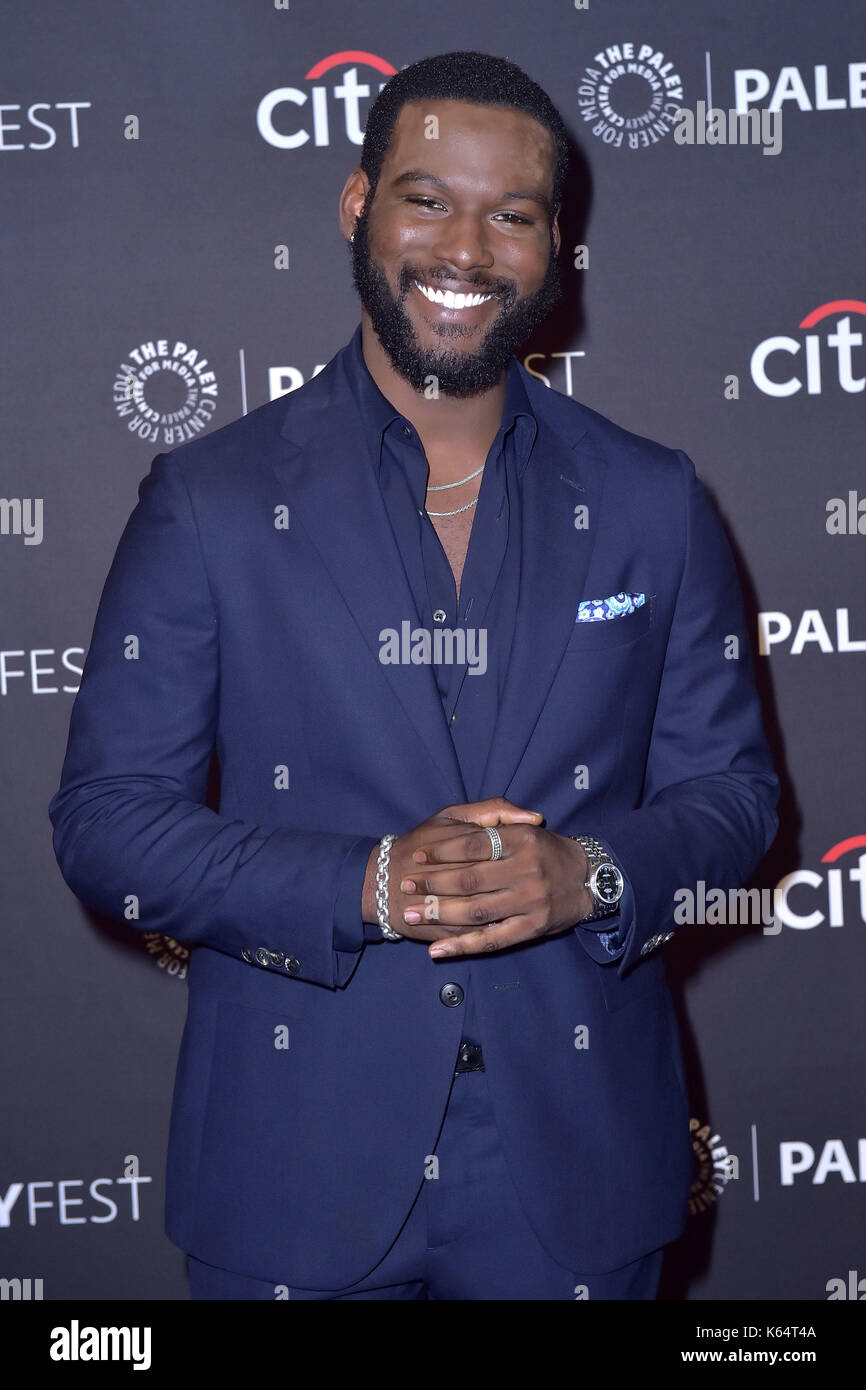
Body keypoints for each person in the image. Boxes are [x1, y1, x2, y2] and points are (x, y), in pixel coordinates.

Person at [49, 51, 779, 1301]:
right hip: (292, 1163)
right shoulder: (212, 500)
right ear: (356, 206)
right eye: (426, 197)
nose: (466, 248)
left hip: (580, 1164)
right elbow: (108, 822)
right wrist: (366, 883)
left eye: (512, 213)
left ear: (554, 246)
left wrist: (591, 873)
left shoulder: (650, 499)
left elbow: (734, 797)